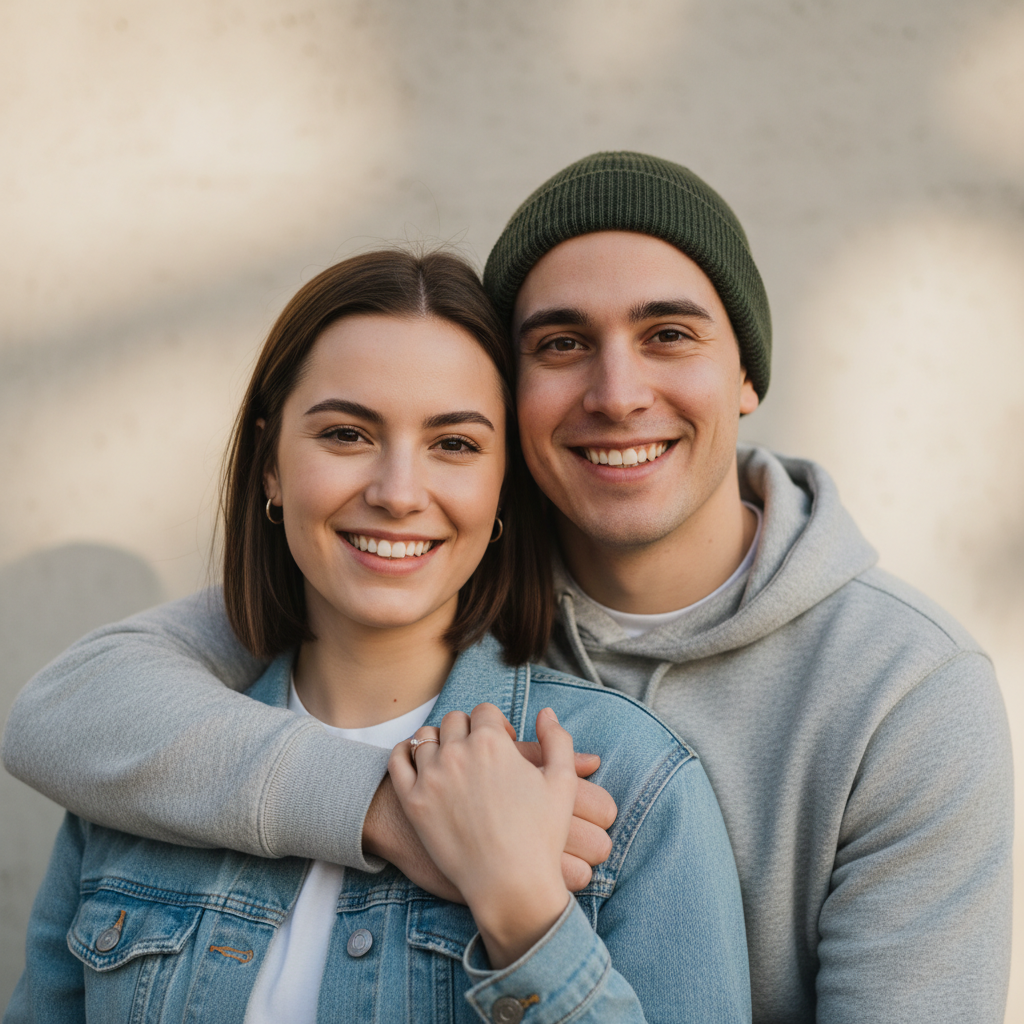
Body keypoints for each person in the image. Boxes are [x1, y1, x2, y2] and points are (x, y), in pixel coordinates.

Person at [3, 153, 1013, 1022]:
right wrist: (387, 804)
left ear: (747, 373)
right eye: (561, 343)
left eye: (669, 333)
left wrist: (526, 911)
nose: (617, 393)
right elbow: (71, 705)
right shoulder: (379, 599)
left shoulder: (901, 696)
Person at [3, 250, 750, 1024]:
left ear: (501, 491)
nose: (397, 493)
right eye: (347, 434)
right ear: (270, 468)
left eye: (454, 445)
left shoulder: (631, 782)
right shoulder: (147, 768)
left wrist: (527, 918)